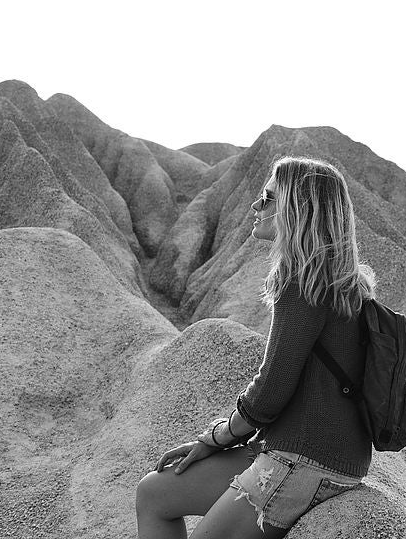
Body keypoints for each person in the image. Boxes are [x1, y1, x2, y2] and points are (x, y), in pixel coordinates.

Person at [136, 156, 376, 538]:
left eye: (267, 199)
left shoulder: (302, 283)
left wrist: (213, 439)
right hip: (305, 451)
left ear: (298, 210)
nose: (255, 206)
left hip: (304, 460)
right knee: (153, 493)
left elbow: (271, 390)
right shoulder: (344, 284)